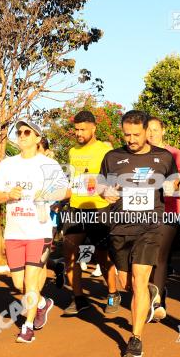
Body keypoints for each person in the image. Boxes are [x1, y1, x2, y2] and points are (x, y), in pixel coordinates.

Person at [99, 110, 178, 357]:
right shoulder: (113, 157)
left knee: (139, 279)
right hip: (120, 227)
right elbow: (101, 185)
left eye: (136, 134)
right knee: (126, 284)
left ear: (146, 131)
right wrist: (105, 193)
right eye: (127, 134)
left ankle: (136, 338)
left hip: (150, 226)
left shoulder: (163, 158)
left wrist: (172, 186)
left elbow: (175, 183)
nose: (131, 139)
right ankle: (147, 295)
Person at [0, 120, 70, 343]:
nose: (22, 135)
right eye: (19, 132)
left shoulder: (49, 164)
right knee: (19, 284)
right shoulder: (7, 165)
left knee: (32, 280)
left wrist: (45, 193)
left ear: (37, 139)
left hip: (39, 230)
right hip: (14, 232)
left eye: (27, 132)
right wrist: (8, 195)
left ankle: (27, 327)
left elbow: (67, 191)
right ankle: (43, 304)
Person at [63, 110, 120, 315]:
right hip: (76, 207)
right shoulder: (72, 151)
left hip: (99, 208)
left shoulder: (105, 150)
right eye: (76, 129)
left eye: (83, 129)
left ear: (93, 128)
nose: (78, 133)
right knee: (69, 253)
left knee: (102, 256)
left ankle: (113, 293)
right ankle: (78, 298)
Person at [146, 116, 180, 321]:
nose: (151, 133)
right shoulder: (141, 155)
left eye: (155, 129)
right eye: (148, 130)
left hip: (168, 212)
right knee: (145, 259)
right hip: (144, 213)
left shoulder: (175, 154)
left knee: (159, 257)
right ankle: (156, 293)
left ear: (163, 131)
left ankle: (157, 302)